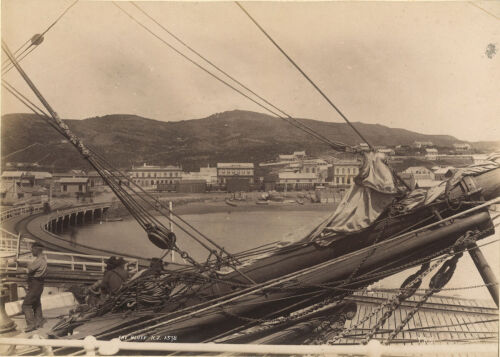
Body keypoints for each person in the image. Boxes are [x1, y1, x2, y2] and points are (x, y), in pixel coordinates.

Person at [22, 242, 47, 332]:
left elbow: (28, 270)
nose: (31, 251)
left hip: (35, 285)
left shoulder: (38, 261)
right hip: (39, 285)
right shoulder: (42, 259)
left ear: (36, 249)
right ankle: (39, 322)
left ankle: (31, 324)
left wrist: (21, 267)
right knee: (36, 304)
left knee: (26, 305)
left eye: (32, 249)